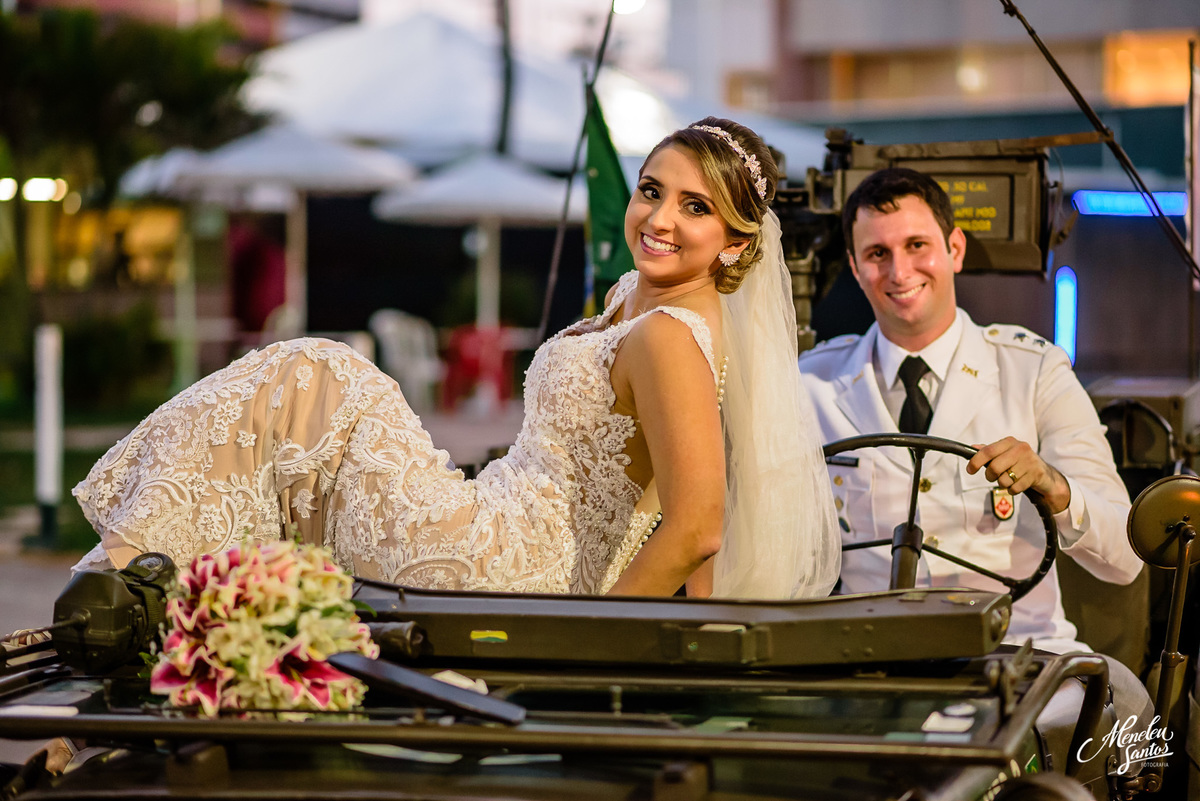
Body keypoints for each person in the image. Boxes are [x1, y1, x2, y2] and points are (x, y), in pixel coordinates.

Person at [72, 118, 840, 601]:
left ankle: (124, 571)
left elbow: (699, 522)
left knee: (311, 373)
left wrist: (598, 643)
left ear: (738, 242)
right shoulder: (631, 295)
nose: (660, 217)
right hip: (490, 517)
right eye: (652, 191)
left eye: (696, 207)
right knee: (303, 383)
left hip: (500, 567)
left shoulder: (673, 334)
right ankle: (138, 570)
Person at [798, 166, 1141, 650]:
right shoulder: (811, 383)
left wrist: (1051, 484)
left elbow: (1125, 559)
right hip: (869, 661)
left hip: (1021, 655)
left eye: (917, 245)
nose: (899, 272)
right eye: (878, 253)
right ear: (855, 268)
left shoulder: (1035, 371)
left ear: (954, 249)